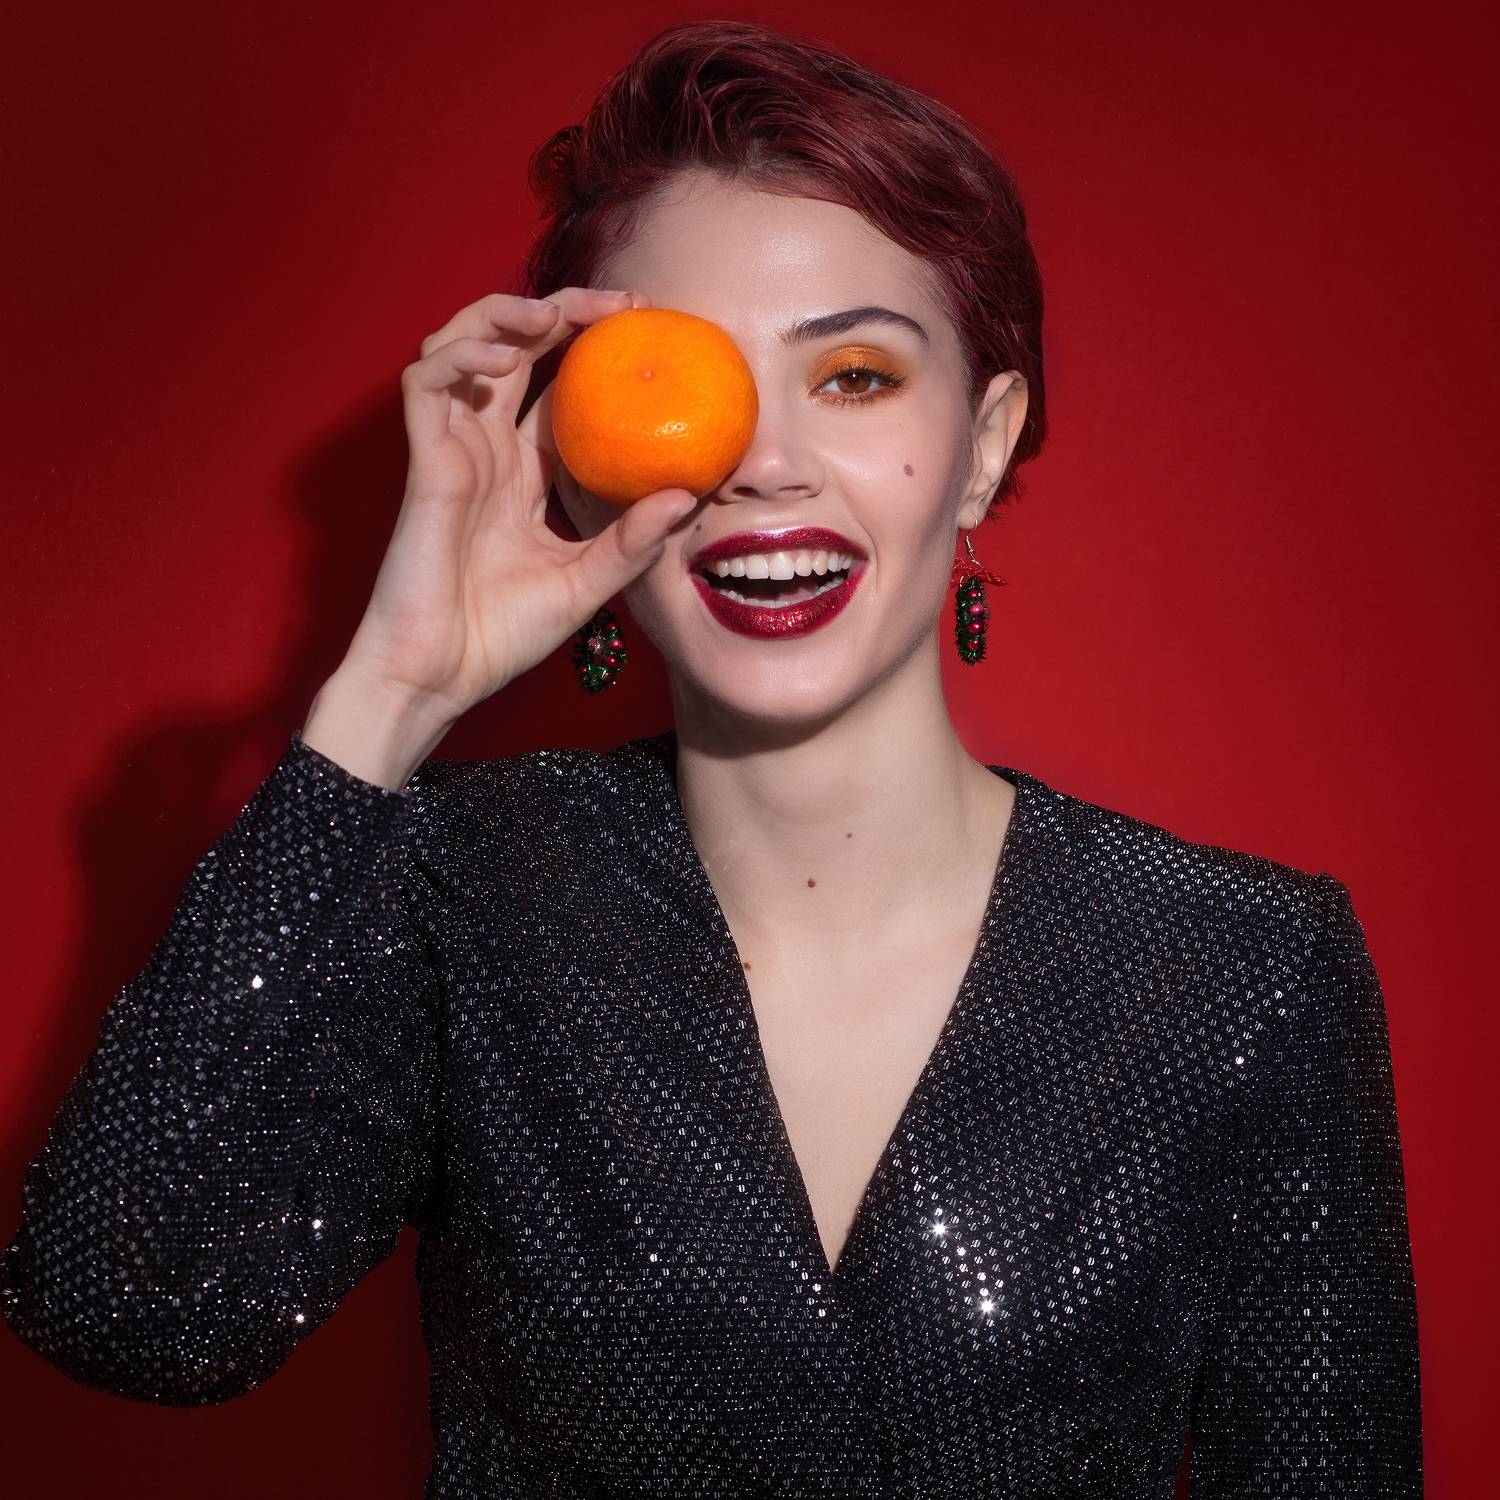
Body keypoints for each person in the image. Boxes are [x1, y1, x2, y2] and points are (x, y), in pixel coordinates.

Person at [0, 18, 1421, 1497]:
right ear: (573, 447)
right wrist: (392, 692)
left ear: (987, 443)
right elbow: (120, 1304)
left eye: (854, 376)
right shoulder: (457, 896)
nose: (762, 464)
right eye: (682, 375)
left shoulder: (1247, 972)